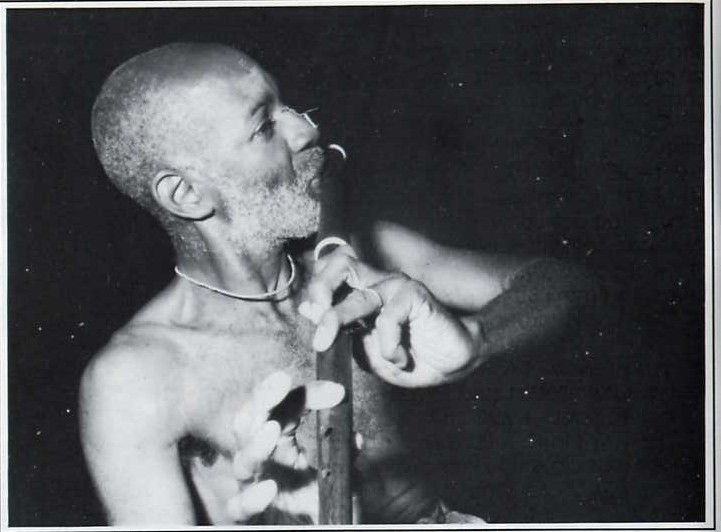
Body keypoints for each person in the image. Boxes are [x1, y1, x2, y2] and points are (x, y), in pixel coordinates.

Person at [80, 42, 597, 525]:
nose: (307, 130)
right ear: (187, 195)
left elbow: (570, 284)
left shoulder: (362, 256)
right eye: (265, 127)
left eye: (288, 106)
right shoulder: (134, 377)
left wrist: (477, 341)